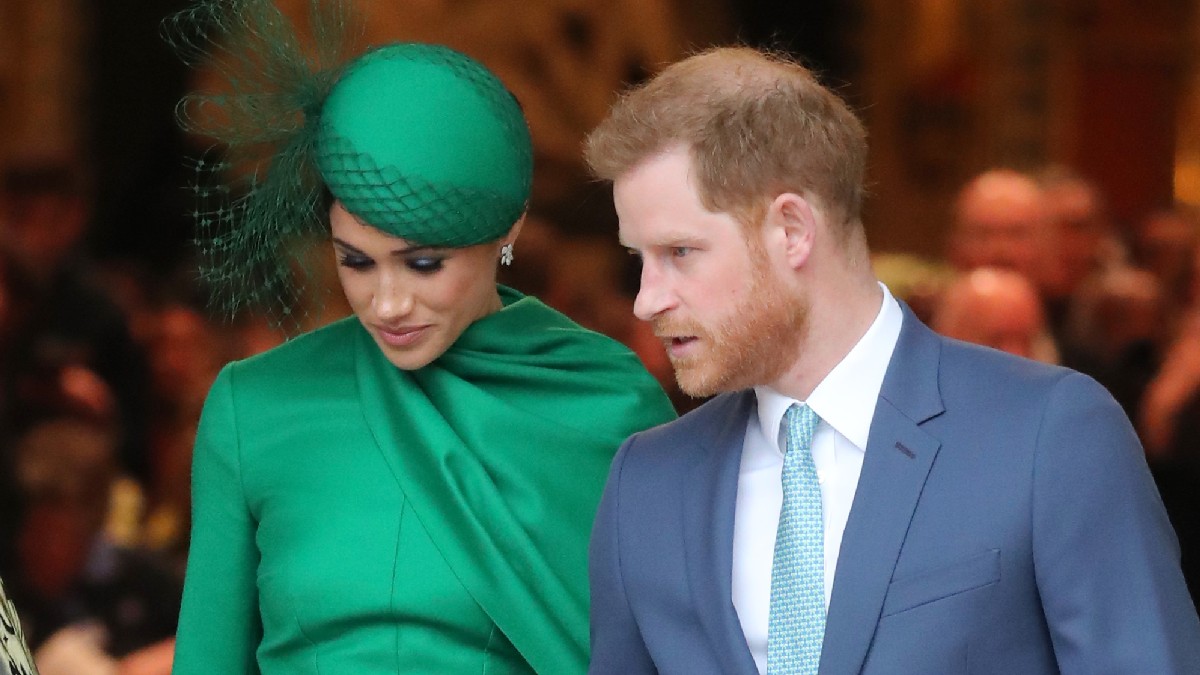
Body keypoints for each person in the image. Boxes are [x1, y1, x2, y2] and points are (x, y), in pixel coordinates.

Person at [583, 46, 1200, 674]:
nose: (646, 300)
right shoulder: (646, 482)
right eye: (640, 258)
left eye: (680, 252)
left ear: (791, 230)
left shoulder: (1049, 432)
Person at [166, 3, 676, 674]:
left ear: (508, 228)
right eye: (356, 261)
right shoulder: (253, 407)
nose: (388, 303)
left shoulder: (613, 412)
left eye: (424, 263)